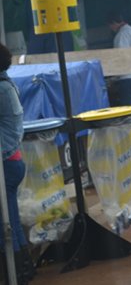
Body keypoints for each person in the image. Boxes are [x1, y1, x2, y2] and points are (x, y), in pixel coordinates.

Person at [0, 42, 35, 284]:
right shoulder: (6, 85)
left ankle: (16, 271)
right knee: (10, 216)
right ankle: (23, 268)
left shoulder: (1, 89)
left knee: (7, 221)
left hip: (6, 164)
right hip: (12, 160)